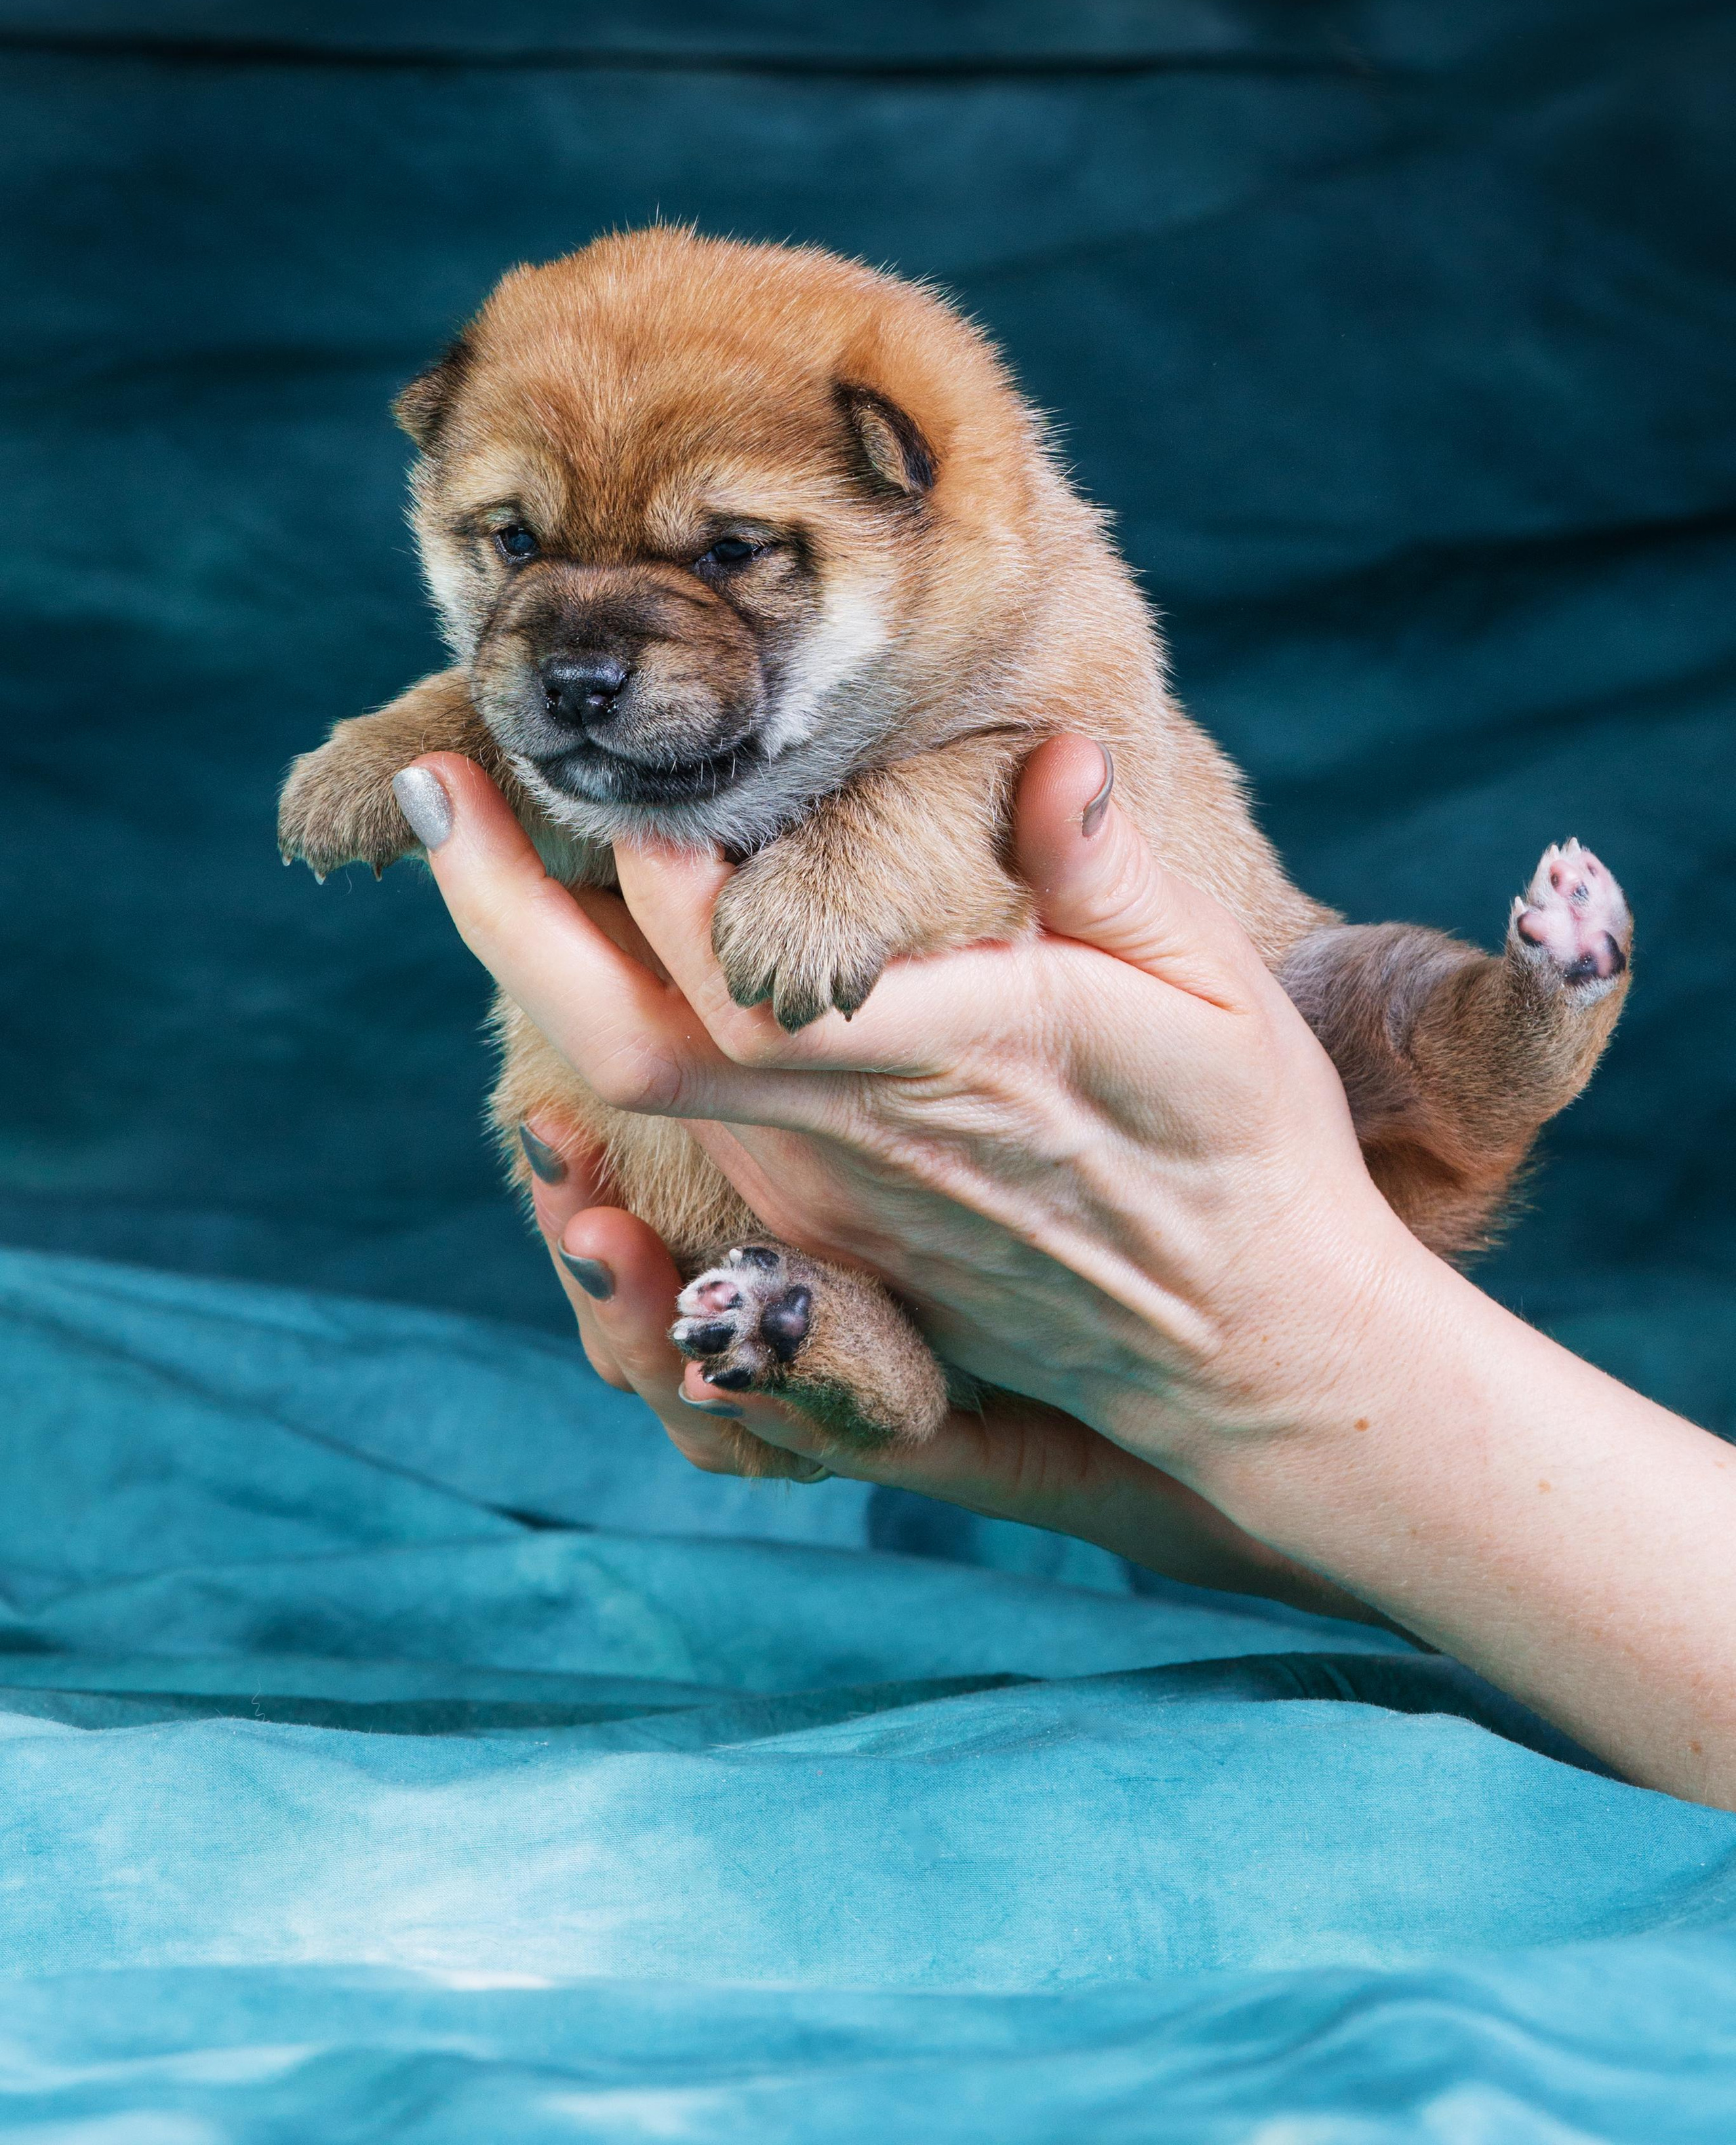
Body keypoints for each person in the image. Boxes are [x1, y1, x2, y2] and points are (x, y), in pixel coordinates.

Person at [391, 734, 1736, 1808]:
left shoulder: (989, 596)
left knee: (1368, 1001)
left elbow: (1009, 733)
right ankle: (824, 1339)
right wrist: (1320, 1485)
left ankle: (1507, 1041)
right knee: (821, 1337)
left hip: (1272, 1076)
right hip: (873, 1234)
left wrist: (1287, 1365)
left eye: (734, 548)